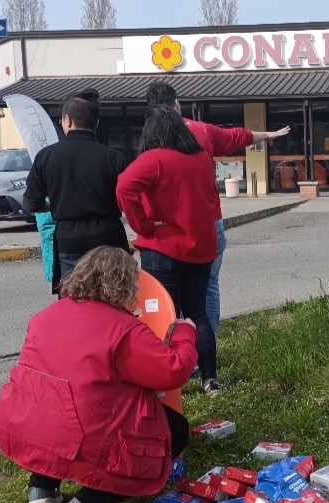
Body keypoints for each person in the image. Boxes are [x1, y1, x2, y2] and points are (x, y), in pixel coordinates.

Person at [0, 246, 197, 503]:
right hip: (75, 432)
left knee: (55, 409)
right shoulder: (124, 330)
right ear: (126, 284)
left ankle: (42, 487)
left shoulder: (46, 315)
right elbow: (172, 371)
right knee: (174, 428)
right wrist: (184, 333)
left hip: (22, 424)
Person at [145, 81, 290, 383]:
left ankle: (173, 361)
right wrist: (269, 135)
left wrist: (144, 224)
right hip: (209, 227)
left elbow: (133, 184)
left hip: (169, 232)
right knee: (205, 293)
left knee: (169, 298)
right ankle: (204, 361)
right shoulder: (201, 131)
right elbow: (238, 136)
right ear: (178, 104)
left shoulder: (152, 138)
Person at [116, 105, 222, 396]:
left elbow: (124, 187)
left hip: (163, 250)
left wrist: (144, 226)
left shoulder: (154, 160)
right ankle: (210, 378)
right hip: (200, 248)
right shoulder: (201, 157)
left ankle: (164, 380)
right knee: (198, 313)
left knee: (163, 315)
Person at [23, 89, 129, 292]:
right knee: (113, 302)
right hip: (109, 239)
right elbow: (126, 198)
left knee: (73, 304)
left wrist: (55, 203)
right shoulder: (114, 158)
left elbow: (31, 203)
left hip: (69, 242)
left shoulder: (46, 157)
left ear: (67, 120)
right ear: (96, 123)